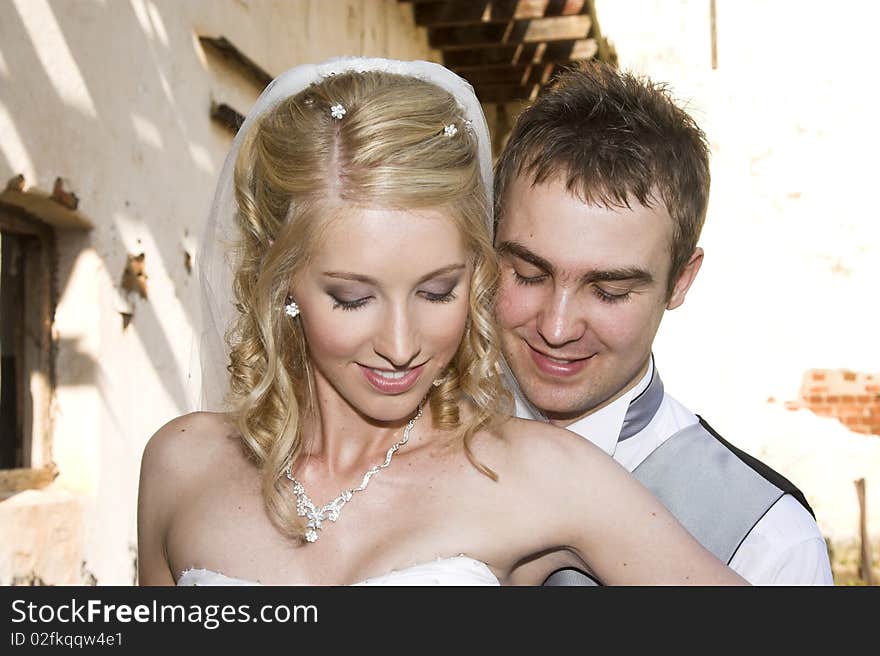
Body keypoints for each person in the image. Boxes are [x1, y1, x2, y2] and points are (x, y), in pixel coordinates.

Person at [137, 57, 746, 586]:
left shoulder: (542, 473)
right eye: (352, 298)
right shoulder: (181, 465)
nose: (401, 346)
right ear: (280, 276)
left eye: (437, 291)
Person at [492, 63, 833, 585]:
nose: (556, 328)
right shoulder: (396, 438)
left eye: (610, 291)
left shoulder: (770, 541)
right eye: (529, 274)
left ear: (680, 281)